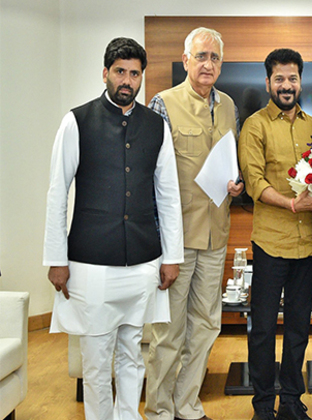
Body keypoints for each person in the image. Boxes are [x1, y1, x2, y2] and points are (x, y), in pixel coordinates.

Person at [43, 37, 184, 420]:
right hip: (90, 264)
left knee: (133, 358)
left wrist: (172, 258)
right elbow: (58, 193)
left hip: (143, 263)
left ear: (141, 78)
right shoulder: (77, 120)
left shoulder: (156, 126)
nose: (127, 80)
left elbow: (169, 196)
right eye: (120, 71)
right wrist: (57, 259)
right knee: (95, 365)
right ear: (105, 73)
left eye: (134, 73)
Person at [145, 27, 243, 420]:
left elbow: (229, 163)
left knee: (206, 327)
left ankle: (187, 404)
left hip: (216, 235)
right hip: (177, 239)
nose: (208, 64)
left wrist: (236, 185)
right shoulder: (163, 103)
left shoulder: (230, 106)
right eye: (201, 56)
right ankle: (159, 410)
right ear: (186, 60)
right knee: (168, 332)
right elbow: (150, 174)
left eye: (215, 57)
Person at [238, 48, 312, 420]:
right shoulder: (255, 125)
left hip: (306, 243)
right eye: (279, 78)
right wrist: (293, 205)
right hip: (270, 242)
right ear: (268, 83)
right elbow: (254, 182)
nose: (286, 85)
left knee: (298, 328)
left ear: (300, 81)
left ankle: (292, 401)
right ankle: (263, 404)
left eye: (292, 78)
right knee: (262, 329)